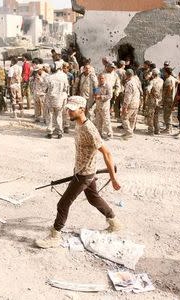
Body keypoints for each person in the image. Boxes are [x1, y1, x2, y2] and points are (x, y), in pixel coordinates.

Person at [35, 96, 121, 249]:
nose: (68, 111)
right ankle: (114, 222)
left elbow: (107, 153)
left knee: (63, 203)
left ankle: (55, 235)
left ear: (82, 109)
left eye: (72, 109)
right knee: (93, 198)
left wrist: (113, 179)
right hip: (83, 170)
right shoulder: (79, 124)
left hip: (84, 174)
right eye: (68, 108)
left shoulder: (89, 129)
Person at [44, 61, 69, 139]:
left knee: (50, 115)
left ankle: (50, 132)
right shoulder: (64, 76)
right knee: (59, 115)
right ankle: (59, 132)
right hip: (60, 99)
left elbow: (45, 89)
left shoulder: (49, 77)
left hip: (50, 99)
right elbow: (66, 88)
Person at [121, 69, 142, 138]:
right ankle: (130, 131)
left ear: (127, 75)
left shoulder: (129, 83)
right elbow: (141, 91)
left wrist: (125, 107)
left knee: (124, 118)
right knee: (132, 119)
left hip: (131, 103)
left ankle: (129, 132)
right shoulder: (136, 81)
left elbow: (128, 96)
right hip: (137, 102)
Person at [95, 73, 114, 140]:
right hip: (98, 106)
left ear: (104, 79)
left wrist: (101, 97)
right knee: (98, 120)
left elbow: (110, 96)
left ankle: (109, 134)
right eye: (99, 78)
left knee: (106, 120)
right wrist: (96, 96)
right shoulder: (97, 85)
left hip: (105, 106)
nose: (101, 80)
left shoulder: (108, 86)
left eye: (102, 78)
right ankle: (99, 134)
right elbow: (96, 94)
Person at [146, 69, 164, 135]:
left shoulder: (152, 81)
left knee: (150, 115)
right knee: (157, 115)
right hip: (159, 100)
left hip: (152, 100)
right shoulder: (162, 81)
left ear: (153, 74)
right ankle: (157, 130)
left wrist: (149, 94)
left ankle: (151, 130)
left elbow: (148, 89)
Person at [162, 67, 178, 134]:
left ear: (166, 72)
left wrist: (166, 96)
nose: (163, 73)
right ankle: (169, 128)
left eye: (164, 72)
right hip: (171, 98)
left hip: (168, 99)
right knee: (169, 114)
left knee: (167, 114)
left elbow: (169, 88)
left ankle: (168, 129)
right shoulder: (173, 78)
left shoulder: (168, 80)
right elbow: (177, 82)